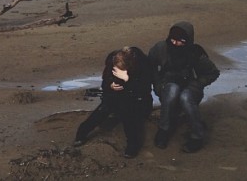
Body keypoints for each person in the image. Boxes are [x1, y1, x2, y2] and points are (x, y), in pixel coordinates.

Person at [148, 21, 220, 153]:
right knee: (172, 91)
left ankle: (197, 135)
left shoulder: (195, 53)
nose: (175, 43)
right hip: (167, 84)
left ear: (187, 41)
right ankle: (164, 129)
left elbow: (213, 73)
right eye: (172, 40)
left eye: (180, 41)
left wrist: (198, 83)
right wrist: (157, 85)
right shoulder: (161, 48)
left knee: (185, 97)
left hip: (191, 86)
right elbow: (150, 66)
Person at [74, 46, 153, 158]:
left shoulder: (142, 64)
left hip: (138, 99)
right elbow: (104, 83)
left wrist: (127, 80)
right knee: (104, 108)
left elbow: (144, 90)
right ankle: (81, 133)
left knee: (128, 113)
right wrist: (110, 85)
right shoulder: (112, 60)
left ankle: (132, 146)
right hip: (116, 95)